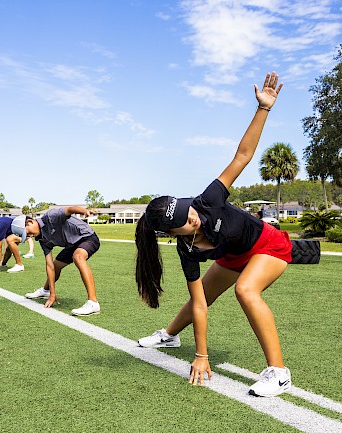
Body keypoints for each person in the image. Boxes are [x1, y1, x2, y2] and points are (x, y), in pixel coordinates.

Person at [135, 72, 292, 398]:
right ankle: (170, 335)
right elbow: (200, 305)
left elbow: (242, 156)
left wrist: (263, 109)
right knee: (201, 296)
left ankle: (278, 373)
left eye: (190, 212)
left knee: (246, 291)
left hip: (268, 244)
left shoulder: (208, 200)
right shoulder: (186, 248)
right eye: (185, 222)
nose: (193, 218)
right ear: (171, 232)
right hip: (234, 255)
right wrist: (200, 355)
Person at [22, 206, 101, 316]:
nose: (29, 236)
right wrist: (52, 294)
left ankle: (93, 303)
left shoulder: (51, 216)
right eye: (26, 236)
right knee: (56, 265)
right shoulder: (41, 239)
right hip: (72, 244)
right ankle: (46, 290)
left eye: (27, 233)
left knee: (78, 257)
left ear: (30, 222)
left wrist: (85, 211)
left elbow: (69, 209)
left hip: (87, 237)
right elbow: (49, 266)